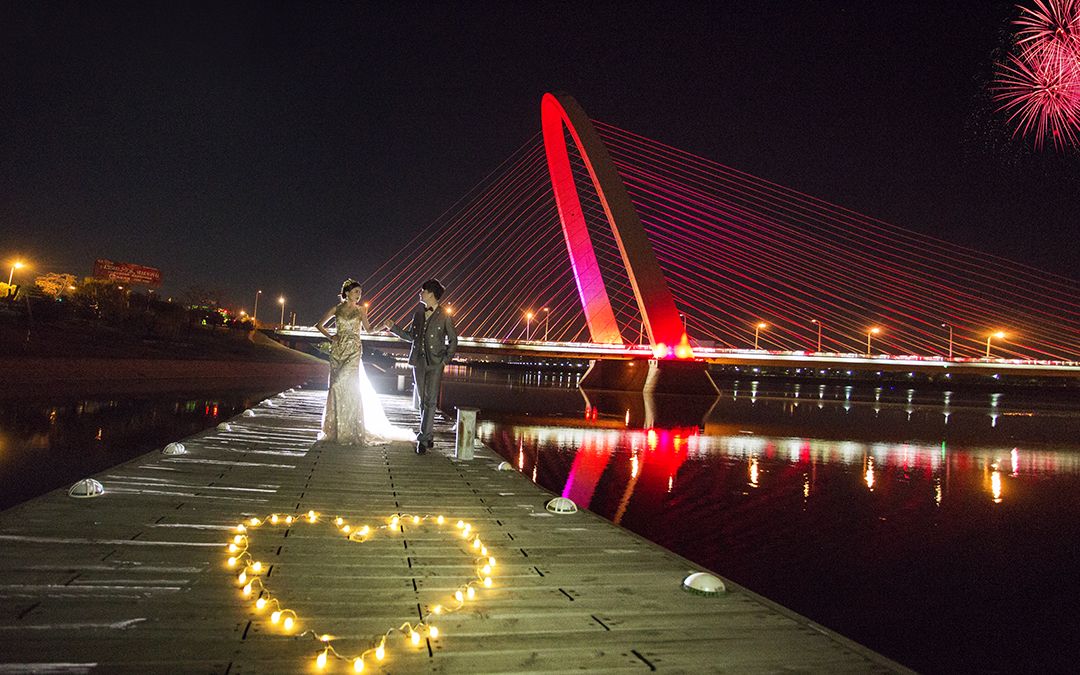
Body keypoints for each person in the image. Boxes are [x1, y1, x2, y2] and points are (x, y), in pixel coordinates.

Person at [317, 279, 412, 445]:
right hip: (337, 352)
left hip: (354, 351)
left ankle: (351, 429)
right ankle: (336, 429)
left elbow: (368, 330)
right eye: (356, 292)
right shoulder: (336, 309)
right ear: (346, 293)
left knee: (344, 385)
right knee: (335, 387)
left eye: (360, 292)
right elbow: (319, 325)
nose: (359, 295)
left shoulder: (361, 311)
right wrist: (331, 337)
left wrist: (383, 326)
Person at [384, 279, 458, 454]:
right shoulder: (418, 314)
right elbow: (411, 336)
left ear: (431, 294)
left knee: (431, 400)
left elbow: (453, 340)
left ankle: (423, 440)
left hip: (435, 363)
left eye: (423, 291)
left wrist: (445, 360)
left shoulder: (445, 316)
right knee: (423, 401)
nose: (420, 293)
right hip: (419, 362)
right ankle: (428, 435)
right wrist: (393, 327)